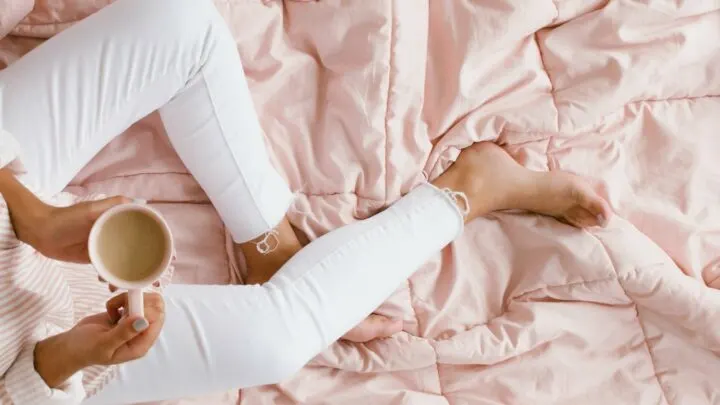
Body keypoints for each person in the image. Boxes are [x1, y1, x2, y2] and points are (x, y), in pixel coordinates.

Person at [0, 0, 612, 403]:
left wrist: (26, 208)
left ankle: (268, 244)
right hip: (29, 350)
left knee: (180, 28)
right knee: (277, 342)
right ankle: (471, 189)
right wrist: (59, 363)